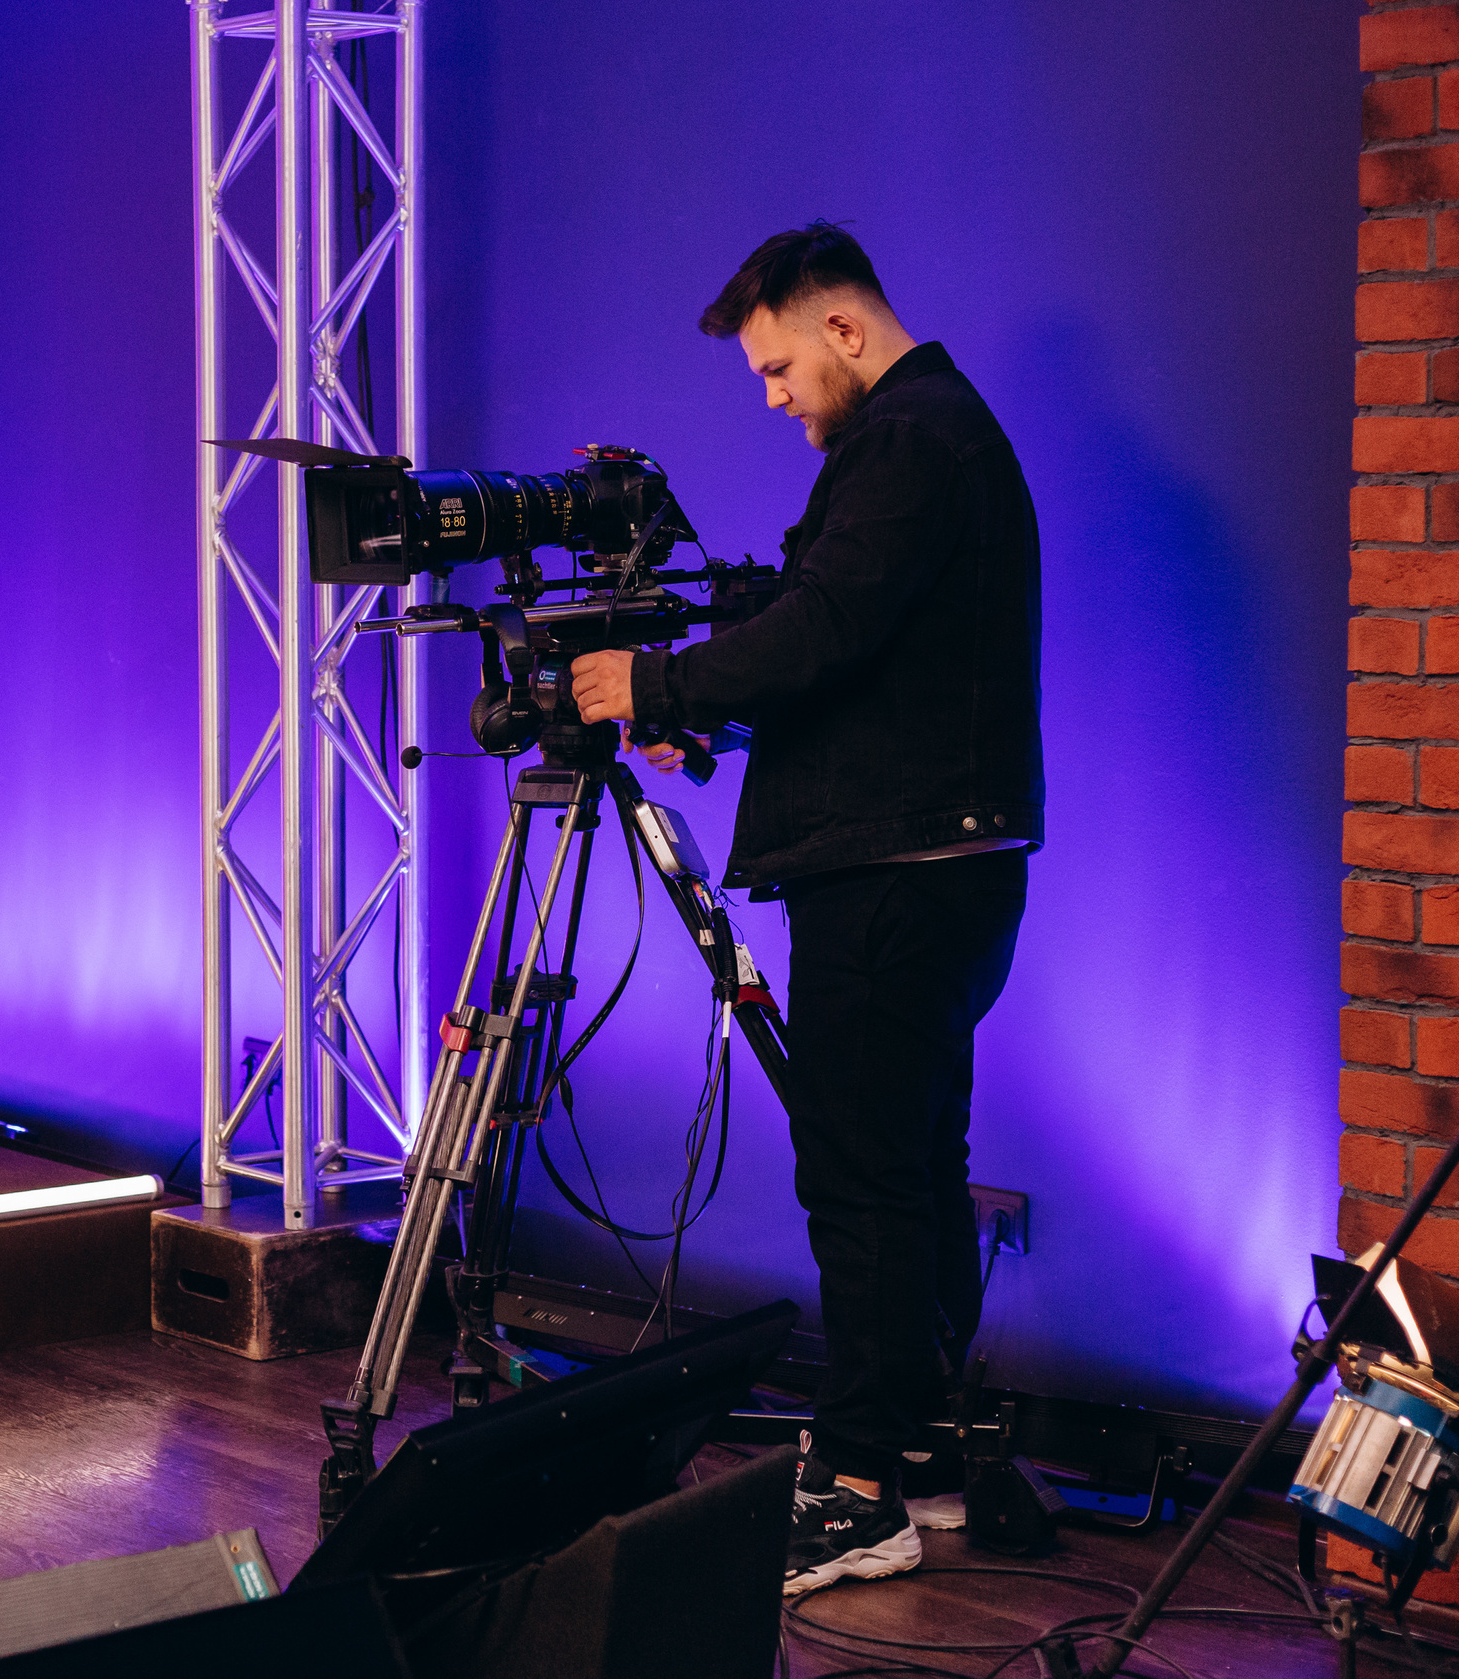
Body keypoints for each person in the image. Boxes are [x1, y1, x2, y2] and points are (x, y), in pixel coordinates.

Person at [568, 222, 1042, 1597]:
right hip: (937, 868)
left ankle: (857, 1486)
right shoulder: (933, 440)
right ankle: (924, 1453)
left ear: (842, 328)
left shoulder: (906, 441)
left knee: (861, 1176)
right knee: (906, 1165)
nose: (774, 400)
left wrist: (650, 688)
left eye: (778, 369)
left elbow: (825, 628)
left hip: (895, 880)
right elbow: (852, 654)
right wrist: (707, 704)